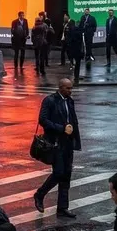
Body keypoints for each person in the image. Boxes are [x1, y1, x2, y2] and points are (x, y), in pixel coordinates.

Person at [33, 78, 80, 218]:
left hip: (67, 143)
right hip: (55, 143)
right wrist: (61, 128)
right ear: (60, 87)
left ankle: (62, 208)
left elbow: (72, 120)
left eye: (71, 88)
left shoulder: (69, 101)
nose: (70, 91)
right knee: (58, 173)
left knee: (66, 175)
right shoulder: (50, 100)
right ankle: (39, 194)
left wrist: (74, 137)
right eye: (68, 88)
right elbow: (43, 120)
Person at [67, 18, 85, 83]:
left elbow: (68, 42)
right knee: (78, 64)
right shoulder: (78, 30)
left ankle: (74, 74)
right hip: (78, 50)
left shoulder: (69, 31)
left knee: (72, 63)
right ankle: (76, 76)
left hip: (72, 50)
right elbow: (81, 41)